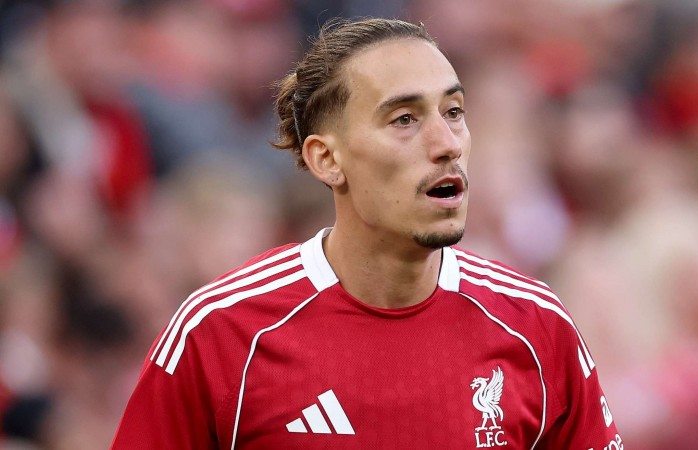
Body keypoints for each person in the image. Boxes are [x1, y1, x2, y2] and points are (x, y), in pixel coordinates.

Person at [112, 18, 622, 449]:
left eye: (454, 112)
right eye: (404, 119)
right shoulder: (221, 333)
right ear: (327, 159)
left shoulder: (536, 326)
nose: (446, 143)